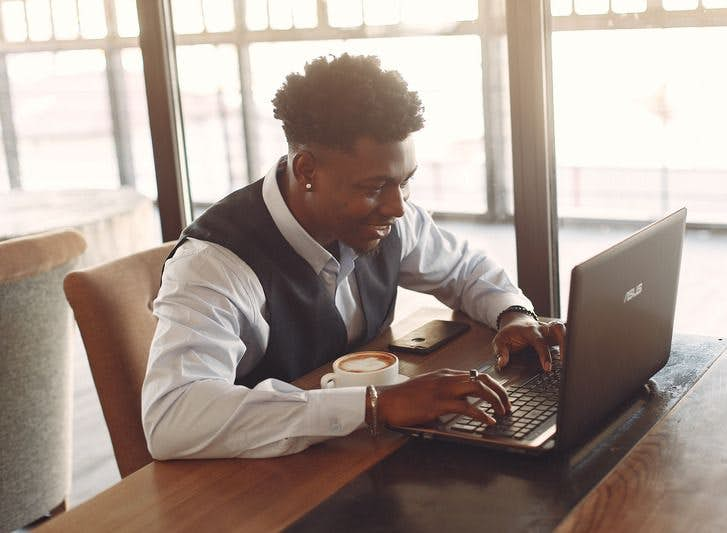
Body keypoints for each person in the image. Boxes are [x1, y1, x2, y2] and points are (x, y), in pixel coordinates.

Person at [141, 53, 565, 459]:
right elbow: (172, 416)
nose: (398, 207)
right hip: (260, 485)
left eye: (405, 182)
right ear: (307, 170)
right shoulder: (214, 264)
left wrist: (513, 314)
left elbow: (466, 269)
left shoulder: (387, 217)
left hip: (359, 454)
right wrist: (373, 405)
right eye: (373, 187)